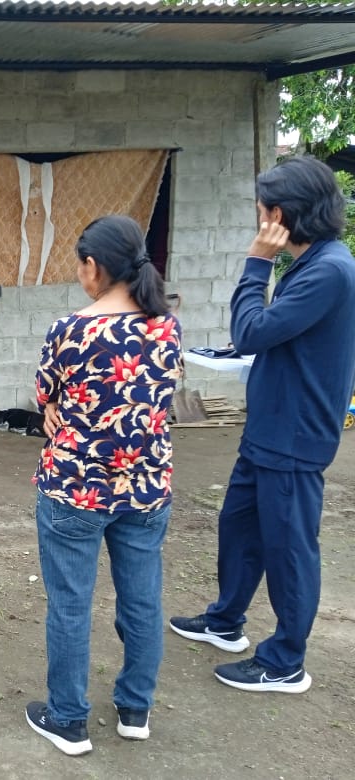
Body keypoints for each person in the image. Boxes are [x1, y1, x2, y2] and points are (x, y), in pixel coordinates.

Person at [169, 156, 355, 693]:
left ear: (281, 214)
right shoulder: (315, 263)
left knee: (289, 548)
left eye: (262, 211)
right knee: (240, 527)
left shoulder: (328, 270)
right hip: (271, 428)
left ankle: (285, 661)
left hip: (294, 435)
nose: (259, 220)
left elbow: (251, 331)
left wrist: (257, 263)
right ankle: (226, 620)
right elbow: (277, 337)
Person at [26, 215, 182, 755]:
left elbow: (44, 391)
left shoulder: (70, 329)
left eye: (79, 265)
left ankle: (68, 719)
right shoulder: (167, 327)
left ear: (92, 266)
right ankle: (135, 709)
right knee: (142, 601)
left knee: (70, 605)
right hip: (145, 488)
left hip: (76, 489)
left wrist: (53, 408)